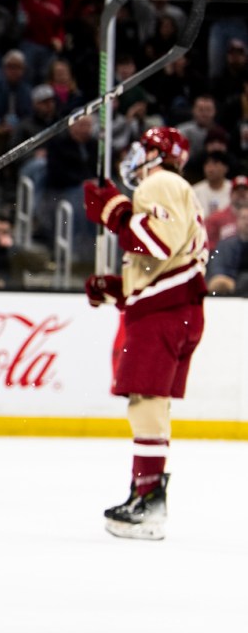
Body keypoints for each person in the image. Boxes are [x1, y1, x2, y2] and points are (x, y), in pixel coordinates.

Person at [82, 126, 208, 541]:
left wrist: (115, 213)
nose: (137, 156)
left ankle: (150, 498)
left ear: (159, 154)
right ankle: (144, 492)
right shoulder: (171, 187)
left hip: (166, 314)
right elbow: (166, 264)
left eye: (144, 149)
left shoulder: (162, 183)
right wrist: (118, 289)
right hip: (171, 310)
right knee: (149, 404)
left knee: (147, 404)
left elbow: (156, 244)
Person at [207, 203, 248, 296]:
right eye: (243, 218)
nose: (247, 222)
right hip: (229, 295)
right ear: (236, 221)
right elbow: (217, 273)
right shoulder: (226, 245)